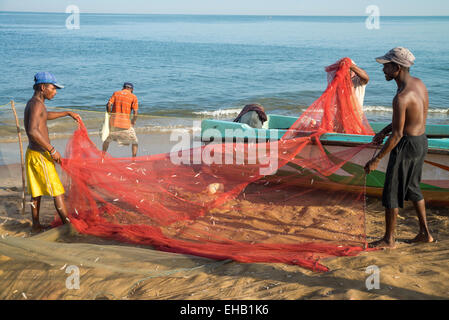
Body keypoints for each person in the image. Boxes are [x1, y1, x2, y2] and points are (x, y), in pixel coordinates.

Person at [364, 47, 433, 248]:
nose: (383, 70)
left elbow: (398, 134)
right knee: (413, 187)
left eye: (386, 66)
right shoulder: (418, 84)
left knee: (391, 192)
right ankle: (425, 234)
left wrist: (376, 159)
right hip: (421, 142)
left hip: (406, 145)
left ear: (398, 67)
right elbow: (411, 119)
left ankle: (389, 239)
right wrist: (383, 131)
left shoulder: (401, 97)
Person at [24, 72, 81, 233]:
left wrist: (66, 113)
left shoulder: (34, 103)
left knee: (36, 192)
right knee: (57, 191)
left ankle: (35, 225)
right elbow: (32, 131)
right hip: (41, 155)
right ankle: (68, 226)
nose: (55, 91)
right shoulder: (37, 104)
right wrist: (52, 149)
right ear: (43, 88)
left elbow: (44, 117)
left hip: (32, 154)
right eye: (53, 88)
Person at [102, 82, 139, 157]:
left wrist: (109, 114)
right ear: (131, 89)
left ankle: (102, 157)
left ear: (123, 87)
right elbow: (135, 112)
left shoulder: (116, 93)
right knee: (135, 142)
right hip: (125, 125)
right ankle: (134, 159)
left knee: (107, 140)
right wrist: (133, 121)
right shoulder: (133, 97)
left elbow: (109, 104)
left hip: (113, 124)